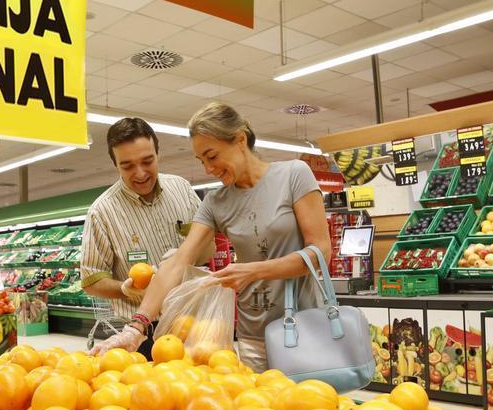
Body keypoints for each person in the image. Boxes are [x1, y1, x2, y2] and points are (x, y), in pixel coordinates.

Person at [94, 101, 331, 371]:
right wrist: (136, 327)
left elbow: (320, 251)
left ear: (240, 140)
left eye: (212, 156)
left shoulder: (293, 175)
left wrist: (253, 271)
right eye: (201, 160)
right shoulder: (215, 202)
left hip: (304, 322)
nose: (208, 169)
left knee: (314, 407)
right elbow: (179, 261)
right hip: (254, 334)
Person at [81, 117, 204, 358]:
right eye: (127, 166)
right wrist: (125, 290)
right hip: (142, 334)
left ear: (158, 153)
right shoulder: (102, 212)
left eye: (147, 161)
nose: (140, 173)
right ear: (115, 164)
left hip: (196, 323)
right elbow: (90, 280)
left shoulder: (182, 189)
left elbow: (206, 243)